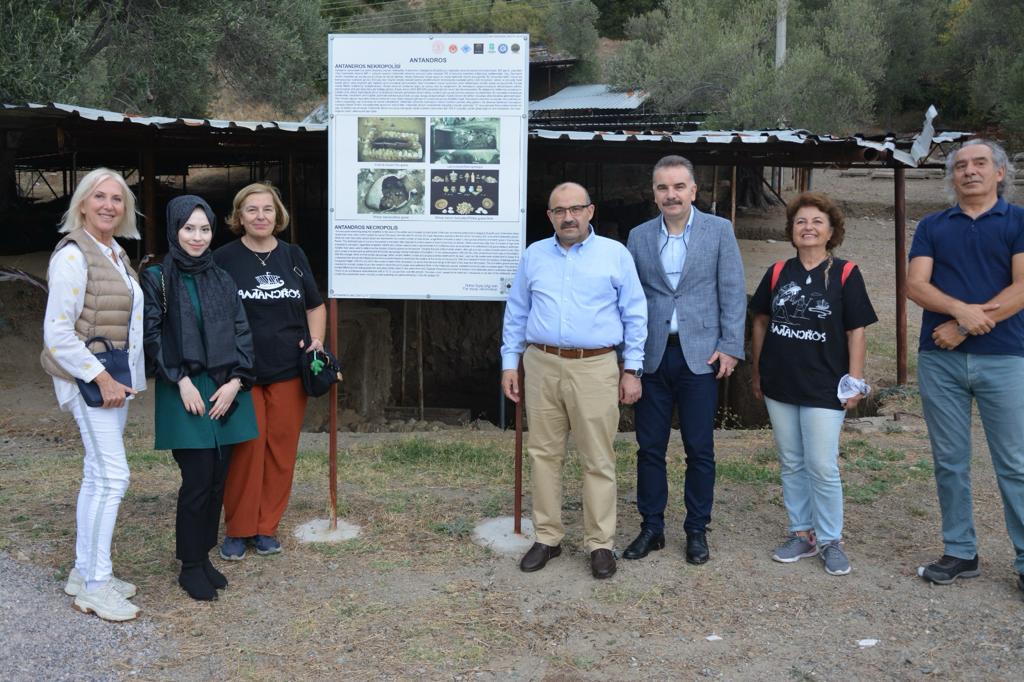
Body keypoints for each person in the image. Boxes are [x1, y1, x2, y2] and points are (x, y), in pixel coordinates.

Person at [501, 182, 646, 579]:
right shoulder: (534, 256)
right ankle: (547, 538)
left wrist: (631, 369)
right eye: (559, 210)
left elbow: (635, 313)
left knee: (597, 459)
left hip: (595, 367)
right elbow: (517, 312)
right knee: (543, 455)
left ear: (590, 211)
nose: (568, 217)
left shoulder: (615, 255)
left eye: (575, 209)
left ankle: (600, 544)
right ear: (549, 216)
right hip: (543, 362)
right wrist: (510, 364)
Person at [907, 138, 1024, 594]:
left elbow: (1022, 287)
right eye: (960, 166)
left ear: (1000, 173)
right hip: (940, 362)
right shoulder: (933, 226)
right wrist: (962, 312)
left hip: (1006, 358)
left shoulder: (1017, 222)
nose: (969, 171)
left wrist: (966, 324)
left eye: (980, 164)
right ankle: (960, 551)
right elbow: (917, 285)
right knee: (950, 461)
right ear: (951, 176)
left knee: (1014, 462)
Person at [623, 155, 746, 565]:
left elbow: (731, 290)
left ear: (694, 191)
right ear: (654, 192)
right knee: (649, 448)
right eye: (662, 187)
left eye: (678, 187)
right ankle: (652, 528)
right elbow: (631, 299)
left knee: (700, 449)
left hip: (701, 357)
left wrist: (731, 345)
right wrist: (630, 360)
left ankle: (696, 530)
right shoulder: (638, 236)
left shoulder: (719, 231)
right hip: (654, 357)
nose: (670, 194)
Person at [749, 192, 877, 576]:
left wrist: (854, 381)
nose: (808, 228)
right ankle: (801, 533)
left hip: (825, 385)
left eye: (817, 222)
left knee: (821, 464)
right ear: (791, 230)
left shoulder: (845, 273)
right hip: (780, 382)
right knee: (791, 462)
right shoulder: (776, 272)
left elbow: (856, 331)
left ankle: (830, 539)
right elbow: (760, 321)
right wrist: (758, 372)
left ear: (831, 231)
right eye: (801, 222)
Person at [141, 196, 258, 600]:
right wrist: (180, 380)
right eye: (189, 228)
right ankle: (189, 565)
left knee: (217, 480)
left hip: (224, 388)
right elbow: (152, 335)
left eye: (204, 228)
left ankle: (203, 555)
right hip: (184, 390)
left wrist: (237, 381)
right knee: (196, 479)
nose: (197, 236)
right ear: (175, 229)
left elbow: (242, 331)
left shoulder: (221, 277)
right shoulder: (157, 276)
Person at [41, 168, 145, 621]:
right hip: (93, 383)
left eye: (117, 199)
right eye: (99, 197)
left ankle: (84, 572)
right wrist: (101, 379)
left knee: (96, 475)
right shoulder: (73, 255)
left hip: (114, 380)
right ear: (82, 203)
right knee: (114, 477)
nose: (108, 205)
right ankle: (97, 587)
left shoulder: (114, 251)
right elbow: (57, 332)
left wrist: (122, 380)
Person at [214, 183, 326, 560]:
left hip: (289, 371)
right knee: (246, 450)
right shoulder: (224, 259)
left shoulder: (293, 256)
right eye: (251, 210)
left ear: (278, 215)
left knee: (280, 452)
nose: (260, 216)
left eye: (267, 209)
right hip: (241, 374)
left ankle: (266, 528)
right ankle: (238, 529)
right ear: (238, 217)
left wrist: (316, 342)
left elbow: (315, 305)